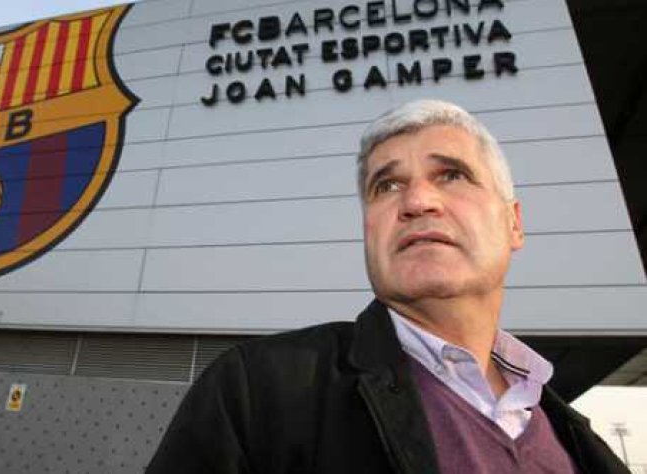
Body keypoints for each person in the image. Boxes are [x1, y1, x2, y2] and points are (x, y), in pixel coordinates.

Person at [146, 100, 629, 474]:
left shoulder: (576, 438)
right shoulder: (255, 392)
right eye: (387, 186)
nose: (417, 201)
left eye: (452, 174)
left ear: (513, 223)